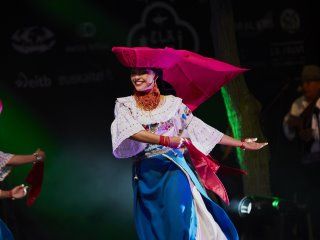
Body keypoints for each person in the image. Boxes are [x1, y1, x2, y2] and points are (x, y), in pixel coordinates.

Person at [111, 63, 268, 239]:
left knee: (180, 216)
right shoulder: (125, 105)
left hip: (173, 168)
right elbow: (132, 132)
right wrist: (168, 140)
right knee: (156, 226)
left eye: (143, 72)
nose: (137, 77)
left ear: (155, 75)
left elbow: (201, 129)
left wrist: (240, 143)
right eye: (134, 73)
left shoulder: (173, 104)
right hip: (146, 173)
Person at [283, 64, 320, 164]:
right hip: (306, 159)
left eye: (309, 82)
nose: (305, 86)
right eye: (304, 82)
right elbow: (290, 135)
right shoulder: (298, 104)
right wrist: (290, 125)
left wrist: (313, 134)